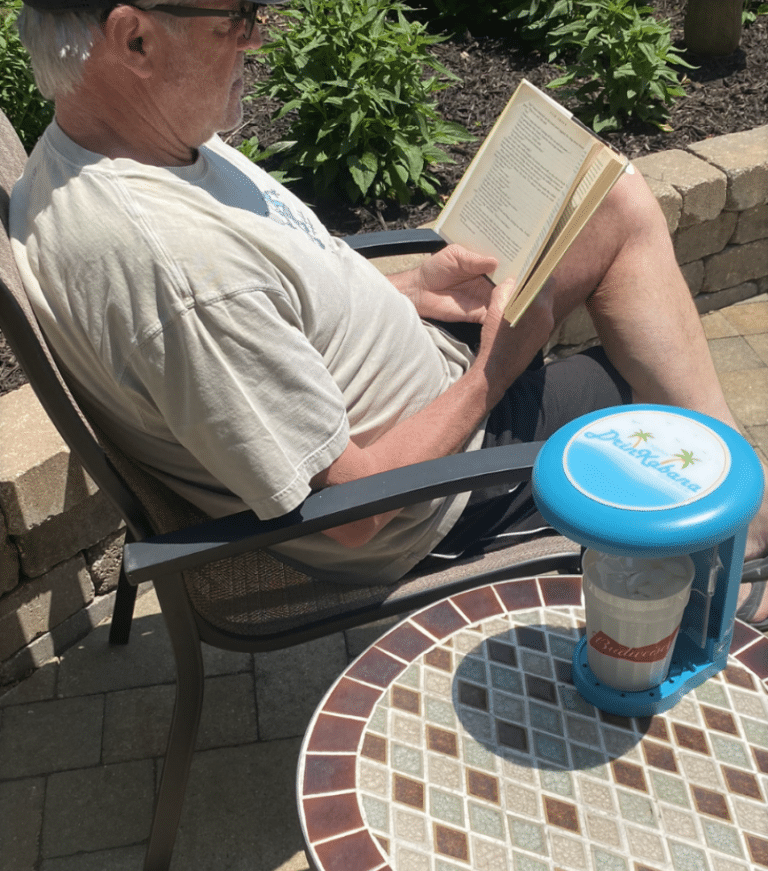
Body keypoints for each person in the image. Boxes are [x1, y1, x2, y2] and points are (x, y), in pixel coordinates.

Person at [9, 0, 768, 624]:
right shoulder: (174, 269)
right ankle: (733, 542)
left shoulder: (112, 148)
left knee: (612, 197)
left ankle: (738, 514)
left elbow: (276, 317)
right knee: (657, 405)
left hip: (418, 385)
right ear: (134, 37)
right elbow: (347, 512)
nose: (259, 36)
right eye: (237, 17)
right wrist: (492, 372)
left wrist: (412, 288)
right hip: (435, 488)